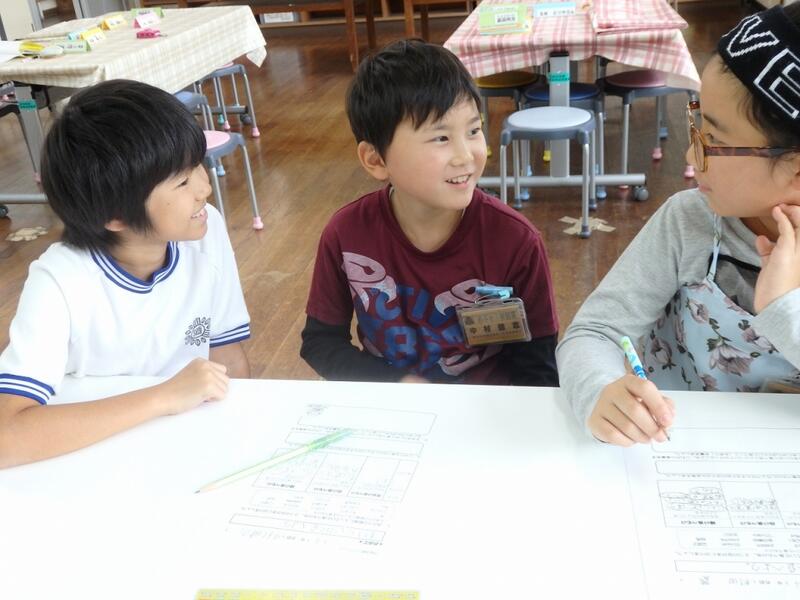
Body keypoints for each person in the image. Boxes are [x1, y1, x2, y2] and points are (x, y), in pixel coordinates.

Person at [557, 5, 800, 446]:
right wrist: (599, 393)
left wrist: (786, 310)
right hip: (668, 450)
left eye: (714, 141)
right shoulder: (691, 219)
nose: (690, 156)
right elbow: (596, 331)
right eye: (697, 127)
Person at [0, 80, 251, 468]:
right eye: (182, 181)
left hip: (185, 447)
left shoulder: (205, 230)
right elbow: (6, 436)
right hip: (88, 461)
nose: (204, 187)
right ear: (114, 215)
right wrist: (163, 397)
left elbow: (225, 353)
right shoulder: (60, 281)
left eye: (197, 164)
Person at [300, 39, 559, 385]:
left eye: (473, 130)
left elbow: (538, 371)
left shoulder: (515, 241)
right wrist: (399, 385)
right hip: (393, 405)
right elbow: (320, 343)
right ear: (375, 159)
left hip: (486, 408)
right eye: (441, 138)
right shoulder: (347, 234)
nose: (466, 155)